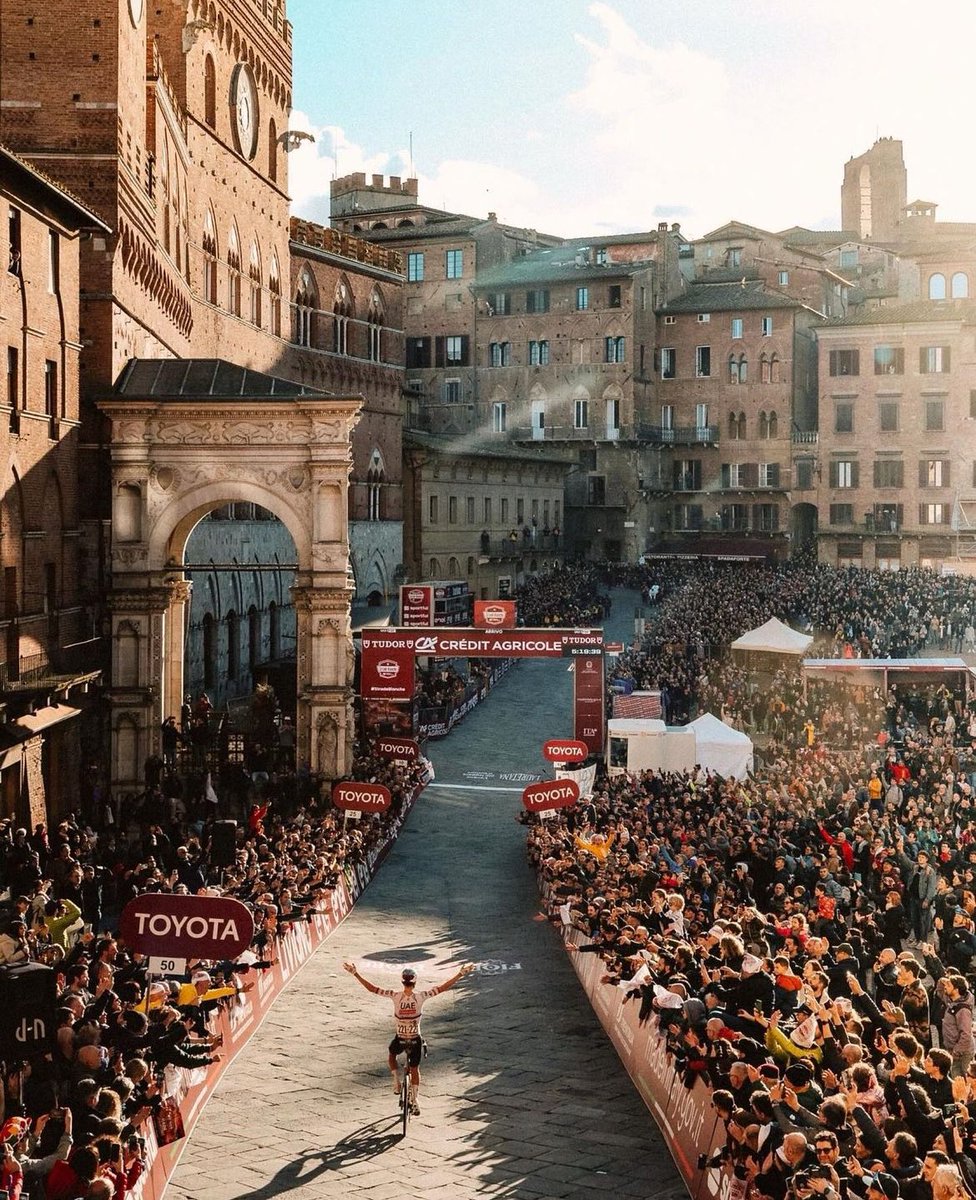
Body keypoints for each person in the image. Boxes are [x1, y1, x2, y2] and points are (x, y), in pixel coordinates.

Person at [343, 960, 475, 1115]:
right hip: (414, 1039)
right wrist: (460, 974)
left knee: (392, 1055)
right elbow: (442, 988)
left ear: (402, 981)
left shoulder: (395, 995)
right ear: (415, 983)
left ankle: (395, 1080)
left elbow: (372, 989)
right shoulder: (421, 997)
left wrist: (355, 974)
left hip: (400, 1038)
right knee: (415, 1069)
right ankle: (415, 1099)